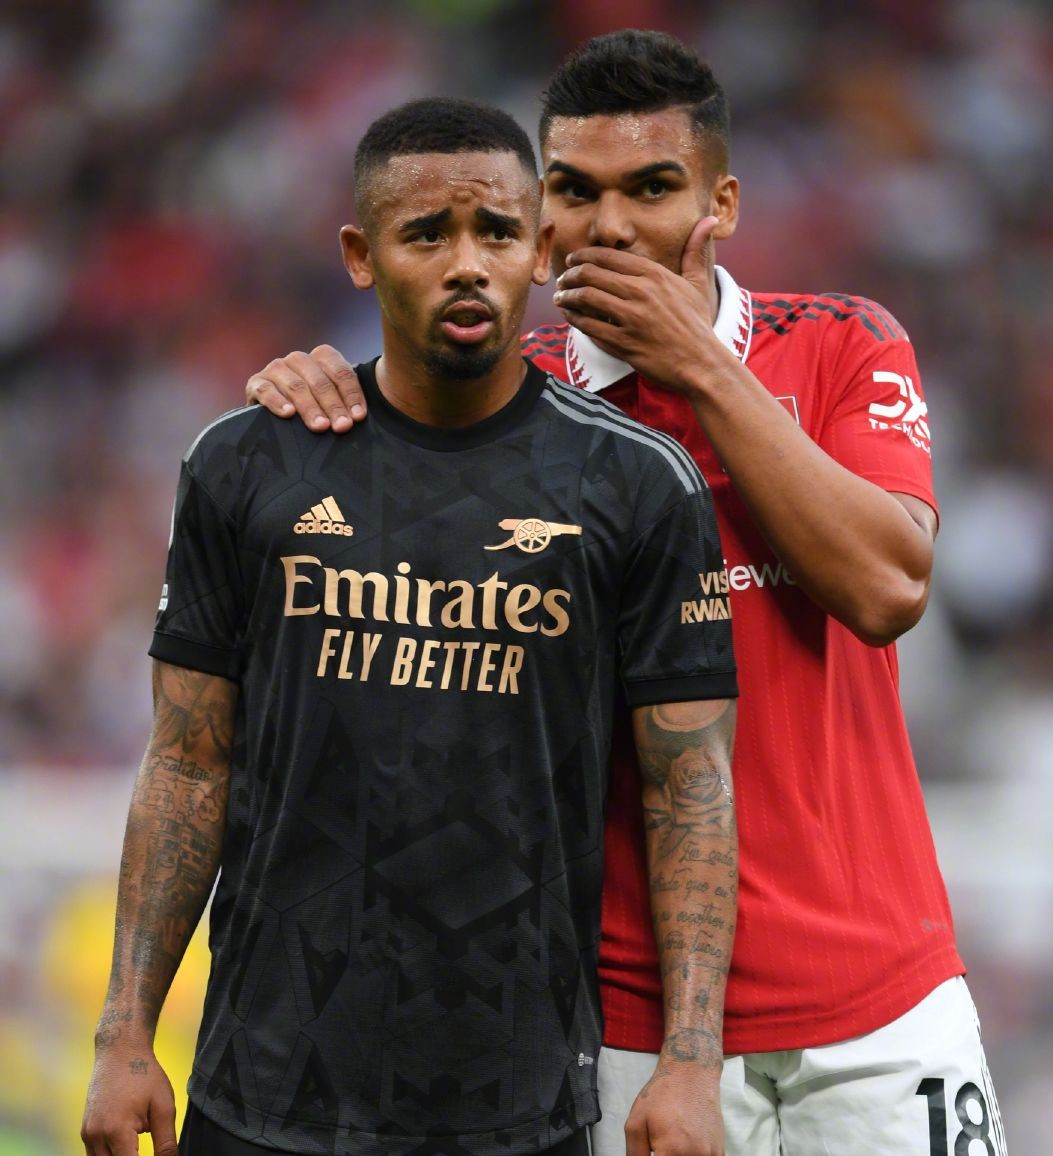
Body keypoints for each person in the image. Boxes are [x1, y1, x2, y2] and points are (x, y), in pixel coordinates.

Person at [246, 30, 1008, 1156]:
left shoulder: (840, 343)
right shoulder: (503, 406)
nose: (611, 227)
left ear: (721, 203)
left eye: (652, 189)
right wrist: (317, 394)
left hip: (881, 1002)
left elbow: (888, 584)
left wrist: (696, 365)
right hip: (625, 1027)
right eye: (575, 191)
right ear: (540, 219)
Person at [80, 96, 741, 1156]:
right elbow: (189, 762)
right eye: (427, 233)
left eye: (498, 232)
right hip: (263, 1089)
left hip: (515, 1102)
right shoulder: (247, 462)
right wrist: (125, 1031)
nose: (467, 264)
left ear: (541, 250)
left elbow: (689, 788)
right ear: (361, 255)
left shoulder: (637, 484)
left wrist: (692, 1061)